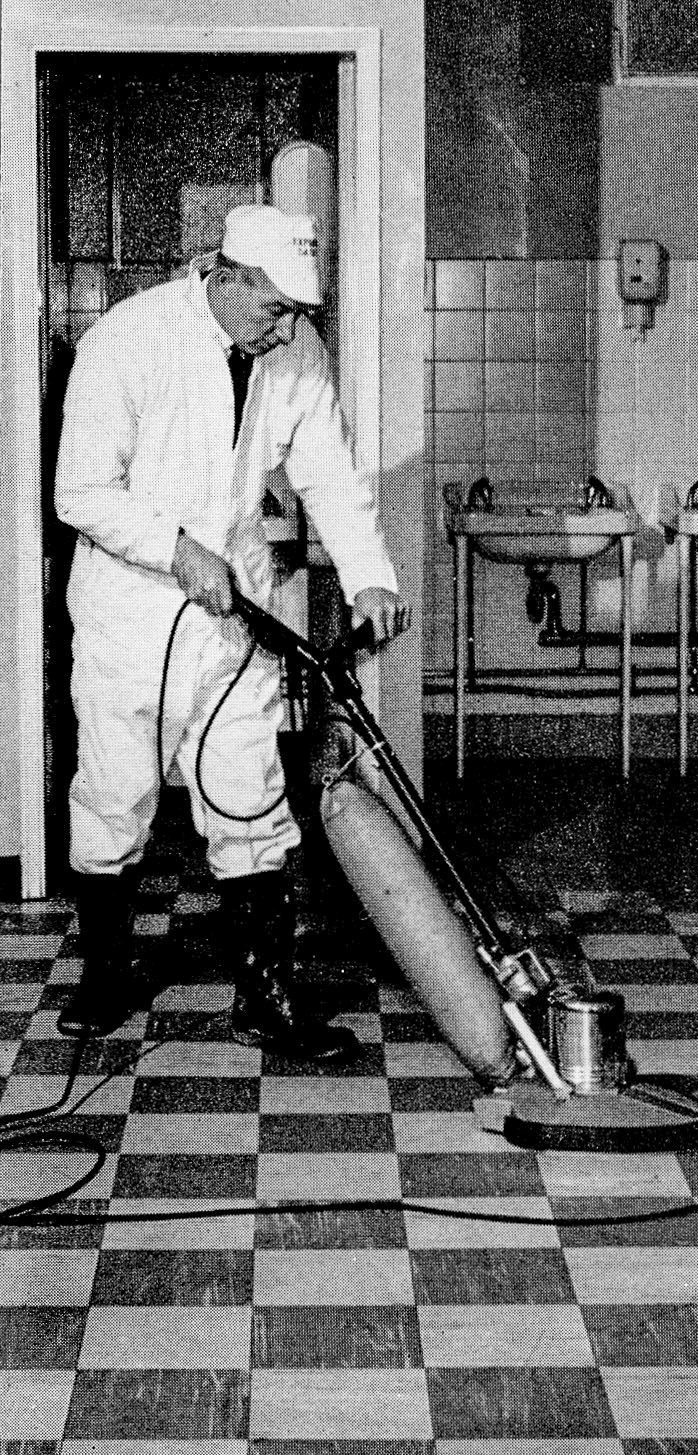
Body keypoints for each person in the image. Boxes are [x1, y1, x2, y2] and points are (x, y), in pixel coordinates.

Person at [53, 203, 409, 1063]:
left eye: (297, 314)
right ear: (227, 274)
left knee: (250, 794)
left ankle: (266, 999)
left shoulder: (294, 352)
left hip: (235, 616)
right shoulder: (126, 340)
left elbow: (327, 470)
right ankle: (106, 970)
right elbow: (80, 492)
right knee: (115, 795)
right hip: (129, 617)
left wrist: (368, 572)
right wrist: (176, 549)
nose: (284, 328)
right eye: (273, 308)